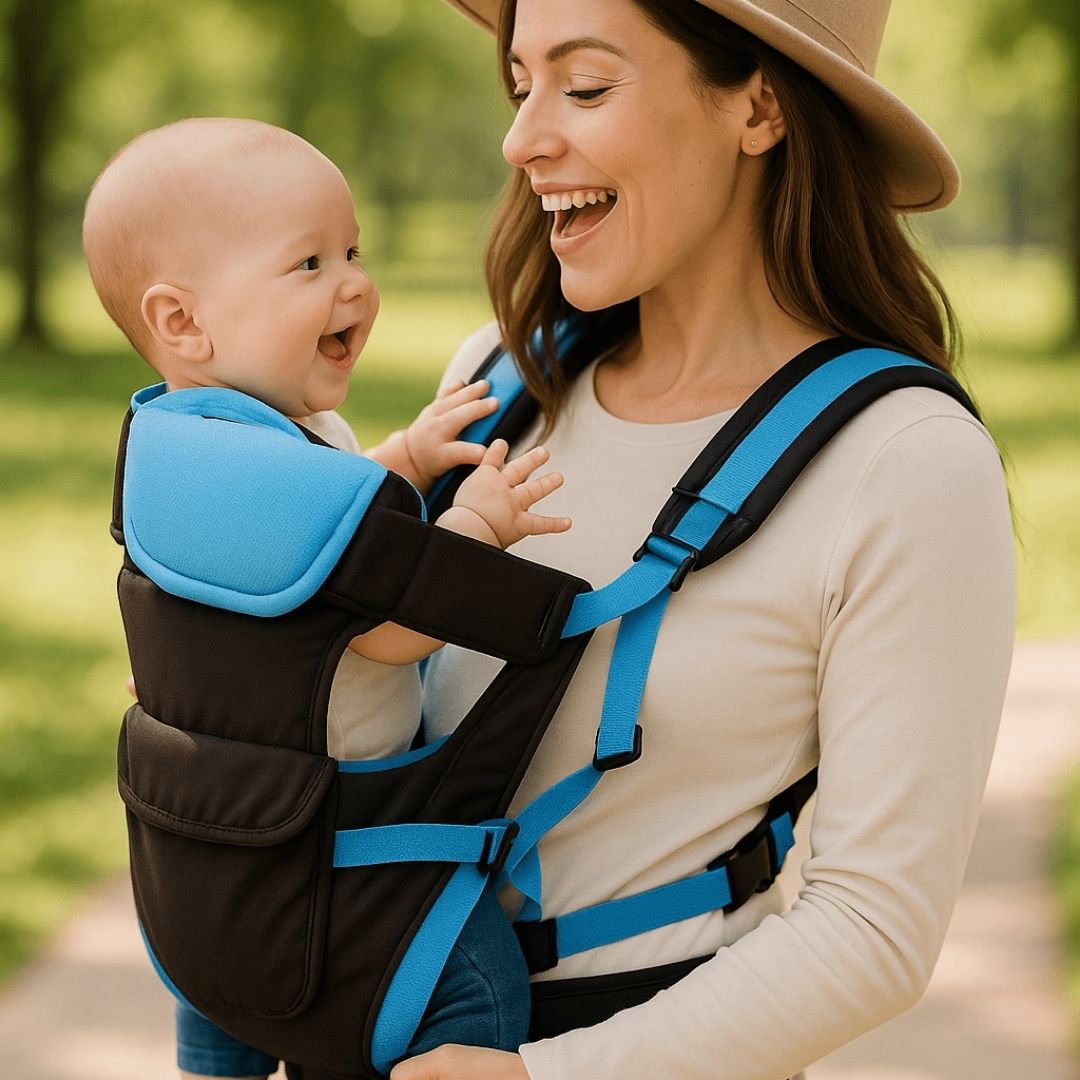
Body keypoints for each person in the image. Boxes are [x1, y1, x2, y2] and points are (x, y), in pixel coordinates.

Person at [392, 1, 1017, 1078]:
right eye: (521, 86)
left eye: (585, 87)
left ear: (760, 107)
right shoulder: (496, 381)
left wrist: (542, 1079)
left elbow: (875, 927)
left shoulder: (907, 461)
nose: (522, 138)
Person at [82, 117, 572, 1080]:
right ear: (182, 322)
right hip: (333, 855)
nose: (353, 284)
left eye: (354, 251)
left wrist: (406, 458)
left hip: (208, 867)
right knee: (479, 989)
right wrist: (474, 527)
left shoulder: (189, 449)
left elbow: (323, 526)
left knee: (223, 1007)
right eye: (308, 263)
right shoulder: (279, 473)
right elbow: (386, 634)